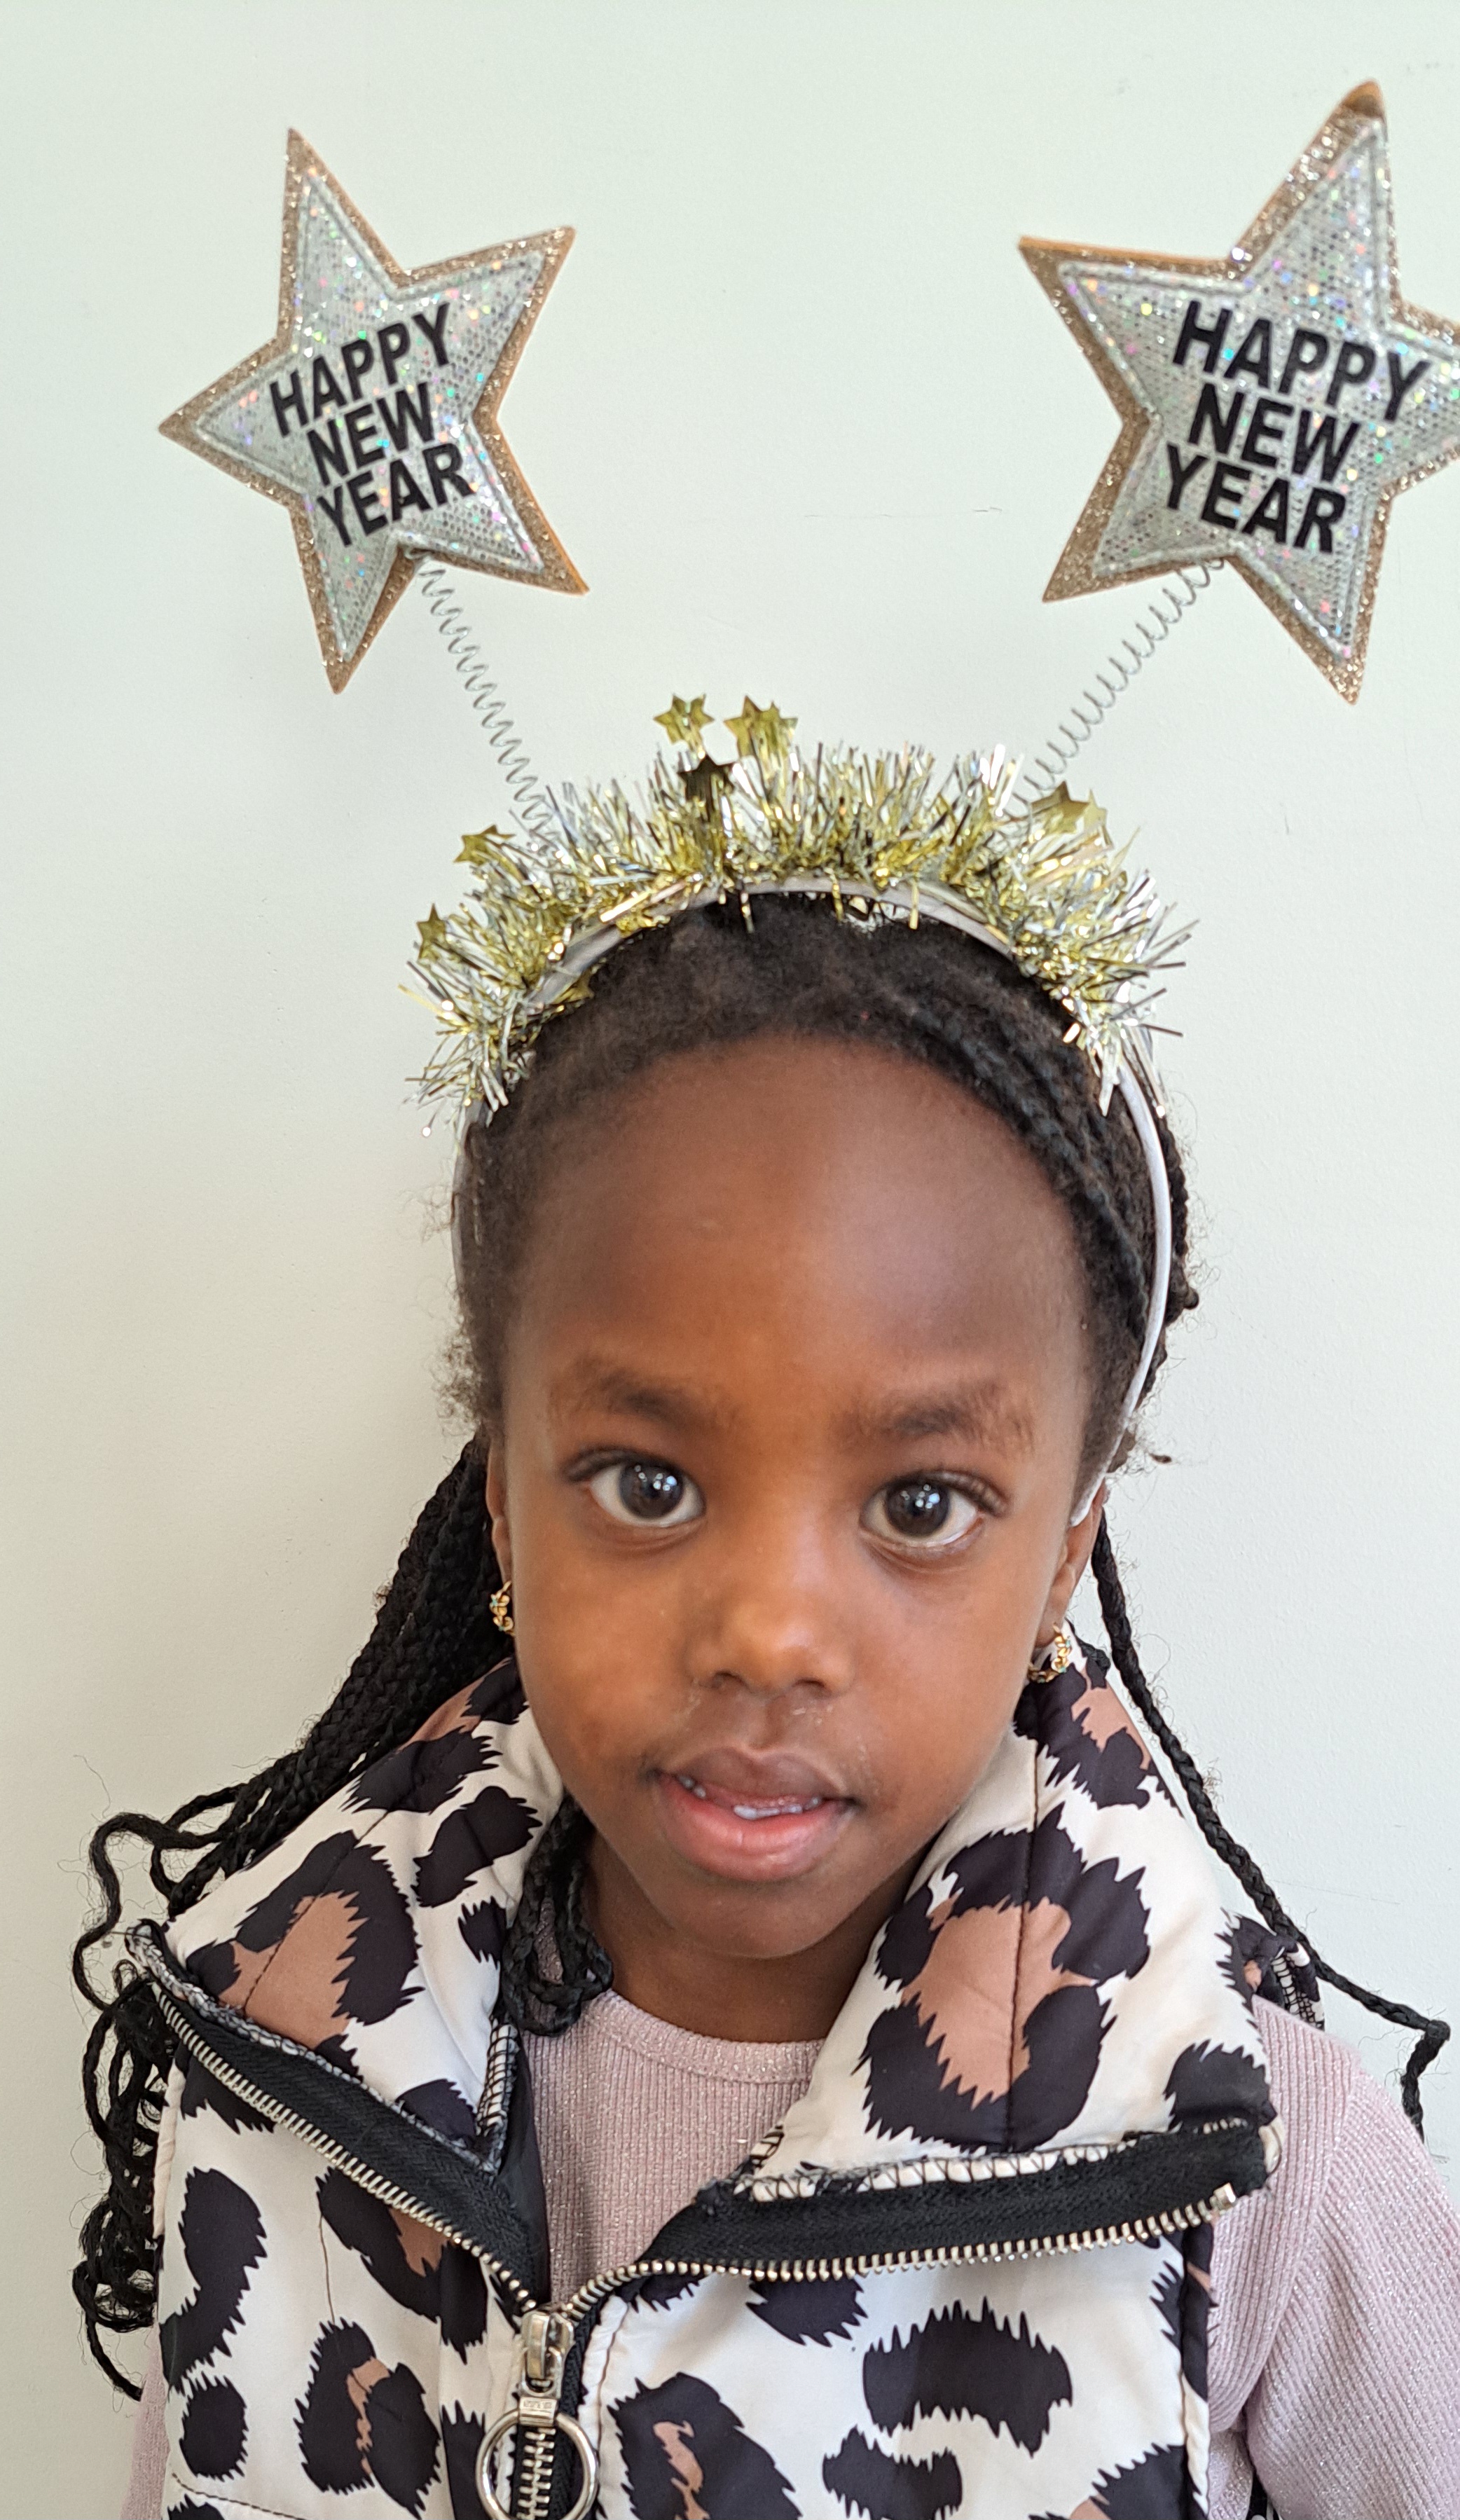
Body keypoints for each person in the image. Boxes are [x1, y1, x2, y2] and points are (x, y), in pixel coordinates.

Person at [77, 710, 1459, 2520]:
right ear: (502, 1500)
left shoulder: (1245, 2160)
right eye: (646, 1483)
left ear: (1063, 1556)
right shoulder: (275, 2054)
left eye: (918, 1505)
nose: (768, 1634)